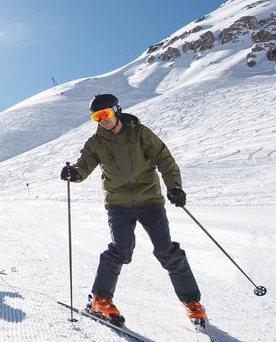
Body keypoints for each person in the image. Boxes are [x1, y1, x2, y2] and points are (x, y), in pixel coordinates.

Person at [60, 94, 206, 326]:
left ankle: (191, 302)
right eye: (96, 117)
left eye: (105, 114)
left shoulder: (140, 133)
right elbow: (84, 166)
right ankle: (100, 299)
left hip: (150, 200)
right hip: (119, 204)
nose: (102, 120)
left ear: (117, 111)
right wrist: (74, 173)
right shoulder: (95, 143)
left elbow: (164, 159)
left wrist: (174, 186)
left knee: (166, 250)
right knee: (121, 250)